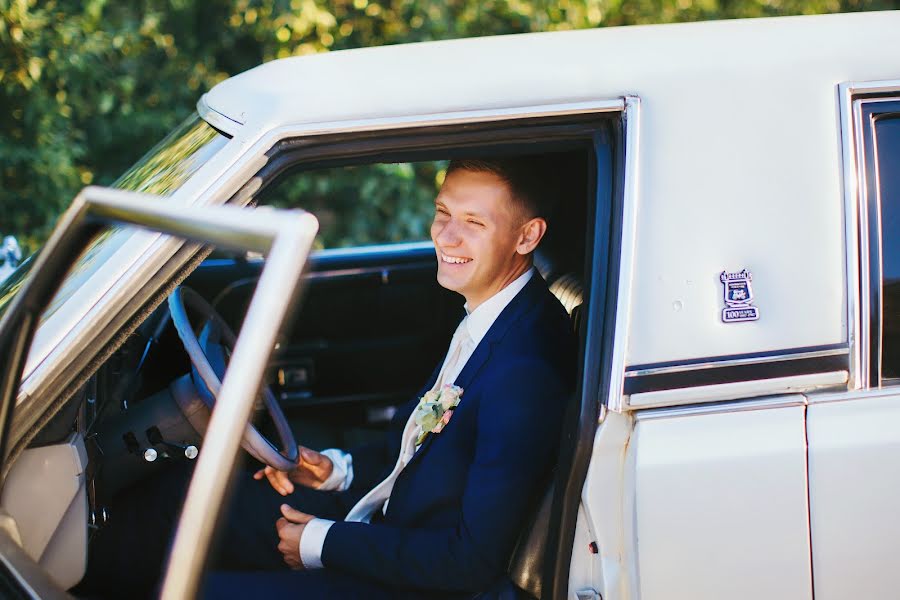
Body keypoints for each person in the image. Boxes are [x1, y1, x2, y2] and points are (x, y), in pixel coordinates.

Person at [80, 156, 577, 599]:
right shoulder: (493, 315)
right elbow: (413, 453)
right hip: (382, 523)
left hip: (414, 578)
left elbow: (469, 563)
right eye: (443, 213)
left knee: (197, 590)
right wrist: (330, 469)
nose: (446, 237)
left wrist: (320, 542)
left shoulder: (525, 369)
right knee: (179, 498)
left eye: (473, 223)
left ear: (527, 236)